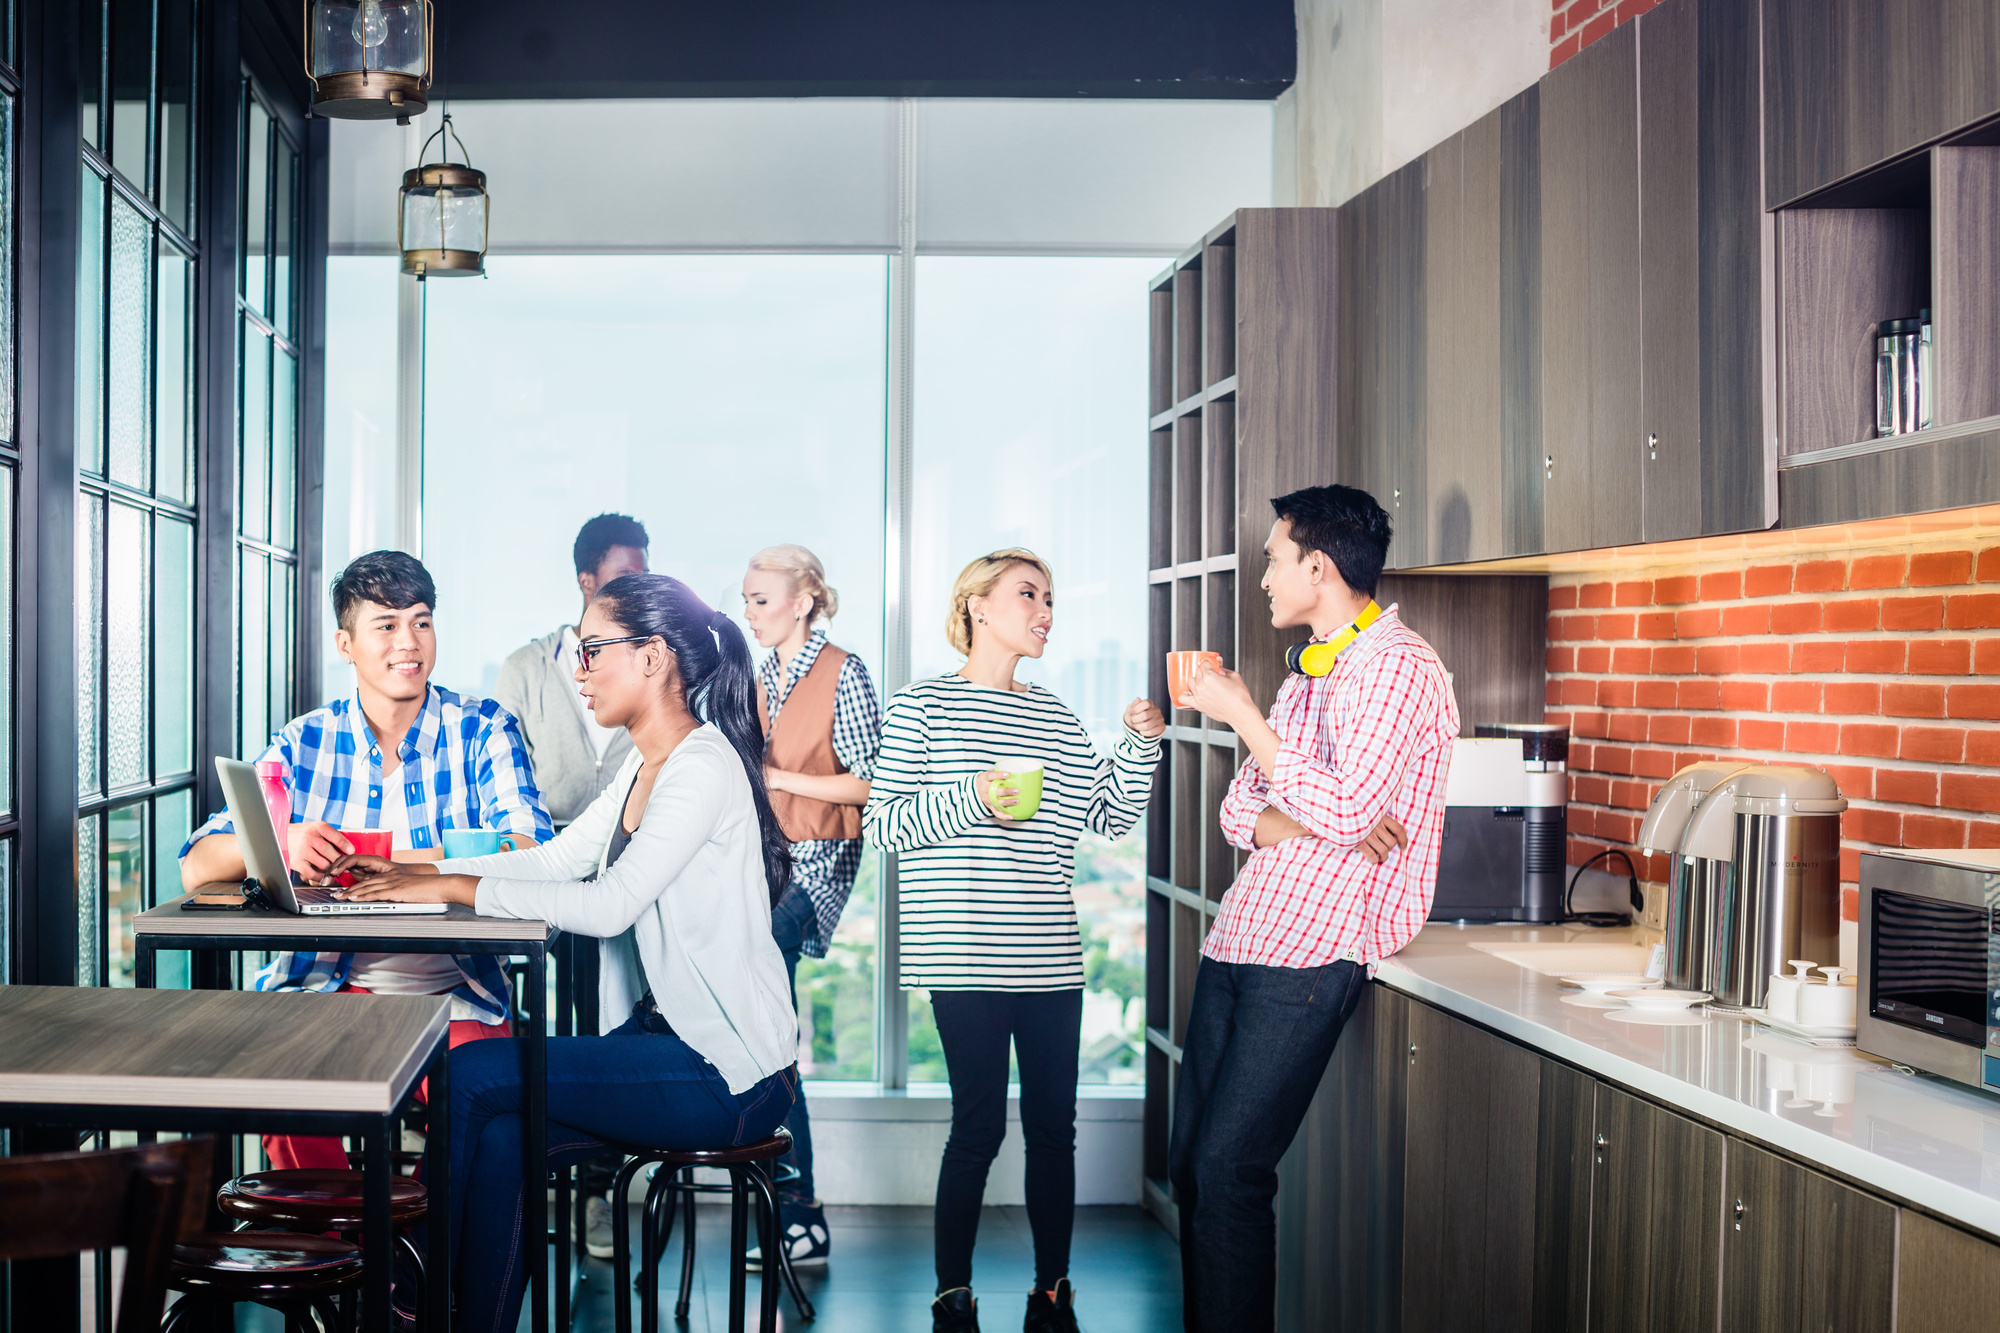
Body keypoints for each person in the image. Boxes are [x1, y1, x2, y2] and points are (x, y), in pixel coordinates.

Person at [330, 573, 801, 1333]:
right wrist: (422, 874)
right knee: (505, 1127)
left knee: (474, 1072)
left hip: (732, 1072)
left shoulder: (699, 766)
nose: (576, 672)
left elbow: (611, 902)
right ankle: (458, 1318)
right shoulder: (646, 763)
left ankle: (400, 1298)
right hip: (674, 1042)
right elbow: (555, 861)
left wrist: (455, 888)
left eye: (589, 651)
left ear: (652, 657)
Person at [1172, 485, 1458, 1333]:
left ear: (1318, 565)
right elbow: (1237, 814)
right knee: (1192, 1166)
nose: (1264, 575)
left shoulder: (1399, 667)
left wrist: (1248, 720)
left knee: (1229, 1172)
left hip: (1313, 954)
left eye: (1273, 557)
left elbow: (1340, 808)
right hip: (1244, 936)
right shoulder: (1313, 669)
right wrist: (1311, 810)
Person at [864, 548, 1165, 1333]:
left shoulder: (1055, 714)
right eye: (1028, 593)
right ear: (977, 607)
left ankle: (1052, 1290)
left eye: (1051, 598)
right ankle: (952, 1294)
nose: (1046, 610)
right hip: (962, 955)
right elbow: (886, 824)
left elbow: (1108, 814)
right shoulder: (919, 707)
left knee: (1053, 1131)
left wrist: (1140, 746)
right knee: (979, 1127)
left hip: (1050, 958)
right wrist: (973, 794)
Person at [179, 550, 552, 1173]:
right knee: (284, 1092)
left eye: (422, 621)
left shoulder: (484, 728)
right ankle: (346, 1258)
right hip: (324, 989)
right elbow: (195, 866)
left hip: (457, 993)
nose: (409, 642)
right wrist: (284, 839)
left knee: (487, 1125)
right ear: (345, 643)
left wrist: (402, 864)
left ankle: (431, 1261)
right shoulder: (305, 741)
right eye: (386, 625)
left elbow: (531, 848)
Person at [491, 511, 649, 1259]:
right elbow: (507, 780)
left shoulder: (651, 660)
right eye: (623, 577)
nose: (638, 588)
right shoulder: (526, 667)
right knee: (539, 1035)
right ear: (587, 582)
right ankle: (533, 1187)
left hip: (626, 883)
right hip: (542, 876)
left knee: (611, 1034)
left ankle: (600, 1195)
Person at [740, 543, 882, 1270]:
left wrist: (778, 776)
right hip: (762, 866)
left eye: (761, 599)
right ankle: (792, 1211)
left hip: (815, 865)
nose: (750, 611)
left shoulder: (844, 671)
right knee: (769, 1030)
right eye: (746, 600)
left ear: (803, 601)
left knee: (763, 1011)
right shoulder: (762, 673)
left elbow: (869, 784)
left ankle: (795, 1207)